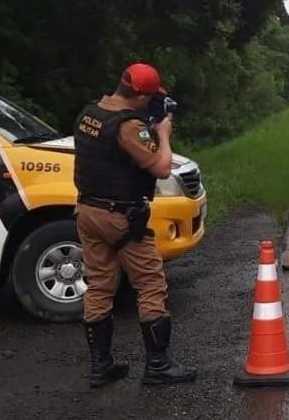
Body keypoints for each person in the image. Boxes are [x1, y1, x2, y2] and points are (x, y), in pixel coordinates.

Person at [73, 62, 196, 387]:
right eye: (150, 97)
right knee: (150, 284)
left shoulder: (91, 113)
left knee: (99, 286)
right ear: (140, 96)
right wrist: (163, 135)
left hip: (88, 211)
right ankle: (158, 366)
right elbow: (160, 168)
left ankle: (101, 365)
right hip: (121, 217)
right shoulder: (128, 126)